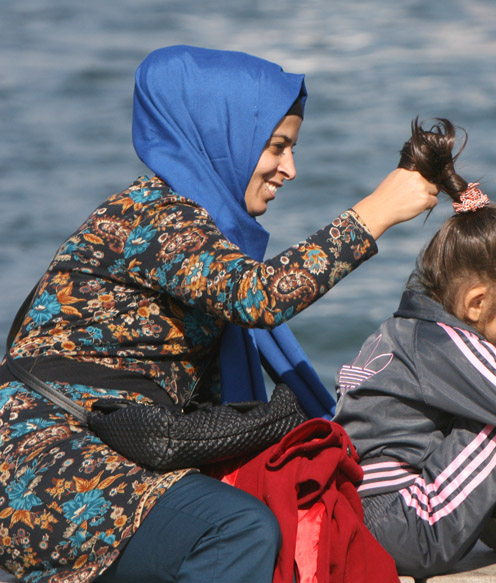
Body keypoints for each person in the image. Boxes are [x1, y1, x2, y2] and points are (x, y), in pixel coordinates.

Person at [0, 45, 437, 583]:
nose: (290, 169)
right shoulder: (153, 214)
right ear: (221, 136)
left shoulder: (197, 231)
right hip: (39, 464)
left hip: (100, 454)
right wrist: (377, 211)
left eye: (292, 149)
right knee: (238, 529)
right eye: (277, 147)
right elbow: (259, 296)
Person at [332, 119, 496, 578]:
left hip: (367, 511)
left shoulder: (405, 331)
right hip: (408, 522)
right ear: (476, 303)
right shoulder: (444, 341)